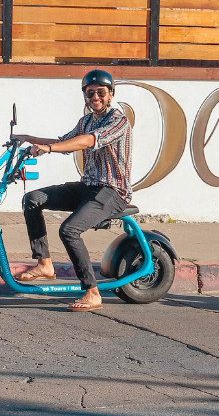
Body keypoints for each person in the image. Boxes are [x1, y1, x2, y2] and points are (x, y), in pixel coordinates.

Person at [14, 69, 132, 313]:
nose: (95, 97)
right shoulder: (85, 121)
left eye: (101, 92)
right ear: (85, 96)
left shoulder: (118, 120)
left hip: (112, 191)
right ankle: (45, 264)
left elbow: (89, 141)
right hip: (88, 187)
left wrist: (47, 148)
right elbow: (63, 143)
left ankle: (92, 292)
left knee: (69, 230)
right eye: (90, 93)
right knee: (32, 199)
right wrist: (28, 139)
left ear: (111, 94)